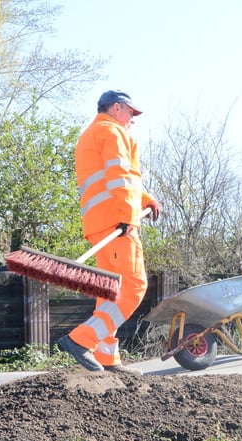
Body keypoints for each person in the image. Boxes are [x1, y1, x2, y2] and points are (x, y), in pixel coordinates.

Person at [56, 90, 161, 375]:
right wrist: (129, 216)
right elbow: (120, 178)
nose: (133, 120)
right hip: (118, 223)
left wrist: (145, 199)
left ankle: (107, 357)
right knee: (134, 287)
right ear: (116, 109)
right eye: (131, 113)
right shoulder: (113, 133)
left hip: (100, 224)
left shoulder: (92, 134)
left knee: (110, 292)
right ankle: (81, 340)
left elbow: (113, 178)